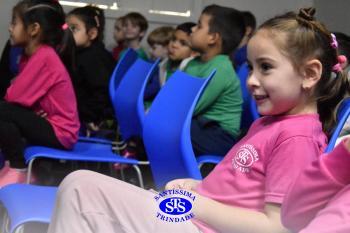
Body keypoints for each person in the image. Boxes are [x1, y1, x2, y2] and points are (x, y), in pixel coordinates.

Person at [46, 6, 349, 233]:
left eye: (266, 68)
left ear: (310, 74)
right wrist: (197, 186)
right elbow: (238, 190)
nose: (252, 80)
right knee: (82, 189)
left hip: (197, 225)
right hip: (192, 218)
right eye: (252, 67)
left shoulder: (297, 137)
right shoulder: (272, 123)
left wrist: (196, 203)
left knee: (79, 188)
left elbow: (278, 227)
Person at [0, 0, 80, 186]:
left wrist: (18, 94)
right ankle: (14, 165)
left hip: (61, 132)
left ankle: (18, 168)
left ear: (34, 29)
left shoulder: (44, 57)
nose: (10, 28)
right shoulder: (33, 55)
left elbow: (13, 96)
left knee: (2, 110)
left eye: (15, 22)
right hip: (52, 125)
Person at [185, 5, 244, 156]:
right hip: (199, 123)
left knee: (171, 127)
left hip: (219, 135)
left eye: (199, 26)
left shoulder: (221, 68)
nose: (192, 29)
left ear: (213, 37)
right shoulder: (193, 63)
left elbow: (189, 108)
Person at [66, 5, 115, 136]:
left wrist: (90, 117)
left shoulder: (93, 58)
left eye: (74, 28)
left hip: (89, 119)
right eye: (66, 28)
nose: (67, 33)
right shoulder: (82, 52)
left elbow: (102, 91)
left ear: (92, 34)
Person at [144, 26, 174, 103]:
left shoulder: (163, 66)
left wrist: (137, 95)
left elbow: (155, 87)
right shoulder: (158, 63)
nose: (150, 51)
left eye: (154, 48)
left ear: (167, 48)